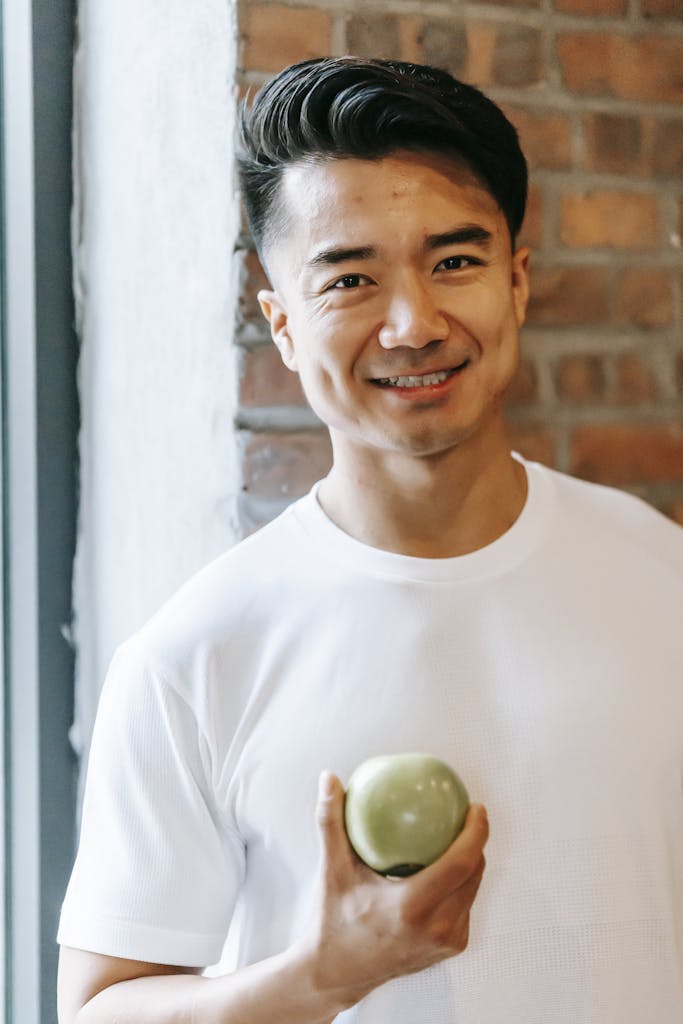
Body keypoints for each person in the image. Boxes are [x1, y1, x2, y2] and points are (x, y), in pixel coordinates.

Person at [57, 56, 683, 1023]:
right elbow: (98, 1009)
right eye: (349, 278)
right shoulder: (195, 654)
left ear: (515, 284)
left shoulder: (659, 574)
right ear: (283, 326)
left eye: (455, 262)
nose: (411, 323)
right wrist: (323, 975)